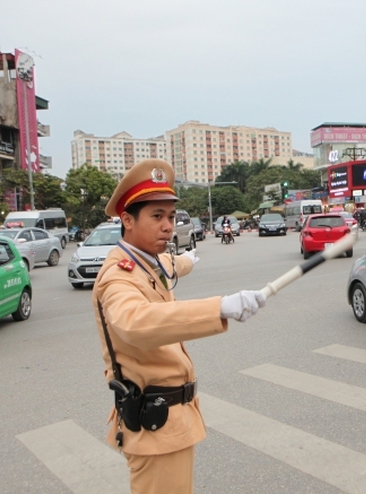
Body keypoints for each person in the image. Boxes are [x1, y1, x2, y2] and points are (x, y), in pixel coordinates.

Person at [91, 159, 266, 494]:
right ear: (127, 219)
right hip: (154, 423)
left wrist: (186, 261)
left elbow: (171, 266)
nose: (168, 226)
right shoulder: (118, 277)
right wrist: (220, 307)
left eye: (171, 217)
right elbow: (135, 323)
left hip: (170, 420)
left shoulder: (148, 261)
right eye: (157, 216)